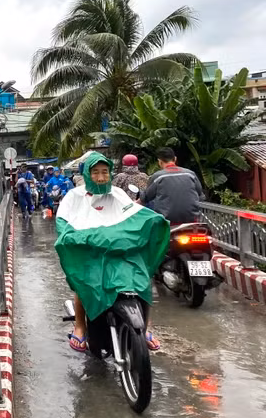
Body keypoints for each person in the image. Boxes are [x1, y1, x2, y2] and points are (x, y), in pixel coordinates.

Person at [55, 152, 167, 352]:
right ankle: (80, 326)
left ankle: (147, 327)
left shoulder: (118, 193)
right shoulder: (74, 196)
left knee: (142, 280)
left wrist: (154, 220)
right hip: (91, 252)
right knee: (83, 282)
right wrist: (75, 238)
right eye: (95, 172)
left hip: (119, 250)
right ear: (88, 174)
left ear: (111, 173)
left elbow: (134, 213)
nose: (100, 177)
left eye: (104, 172)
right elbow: (63, 222)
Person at [142, 147, 204, 224]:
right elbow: (200, 195)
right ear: (175, 159)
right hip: (191, 220)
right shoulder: (190, 174)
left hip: (166, 221)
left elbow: (145, 197)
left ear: (160, 162)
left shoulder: (158, 176)